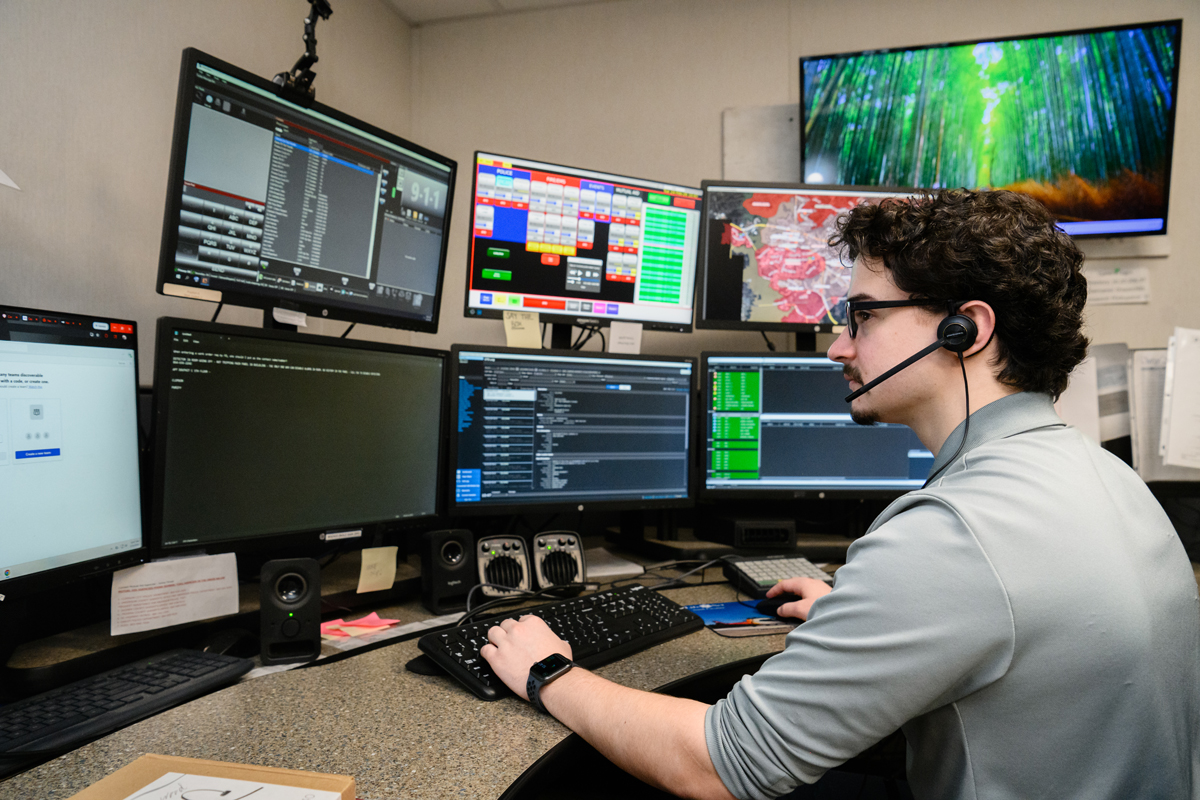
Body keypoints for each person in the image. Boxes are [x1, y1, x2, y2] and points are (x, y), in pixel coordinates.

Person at [481, 189, 1200, 800]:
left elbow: (719, 765)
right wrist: (863, 619)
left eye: (864, 316)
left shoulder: (954, 532)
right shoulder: (1105, 475)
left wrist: (550, 671)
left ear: (966, 330)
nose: (838, 346)